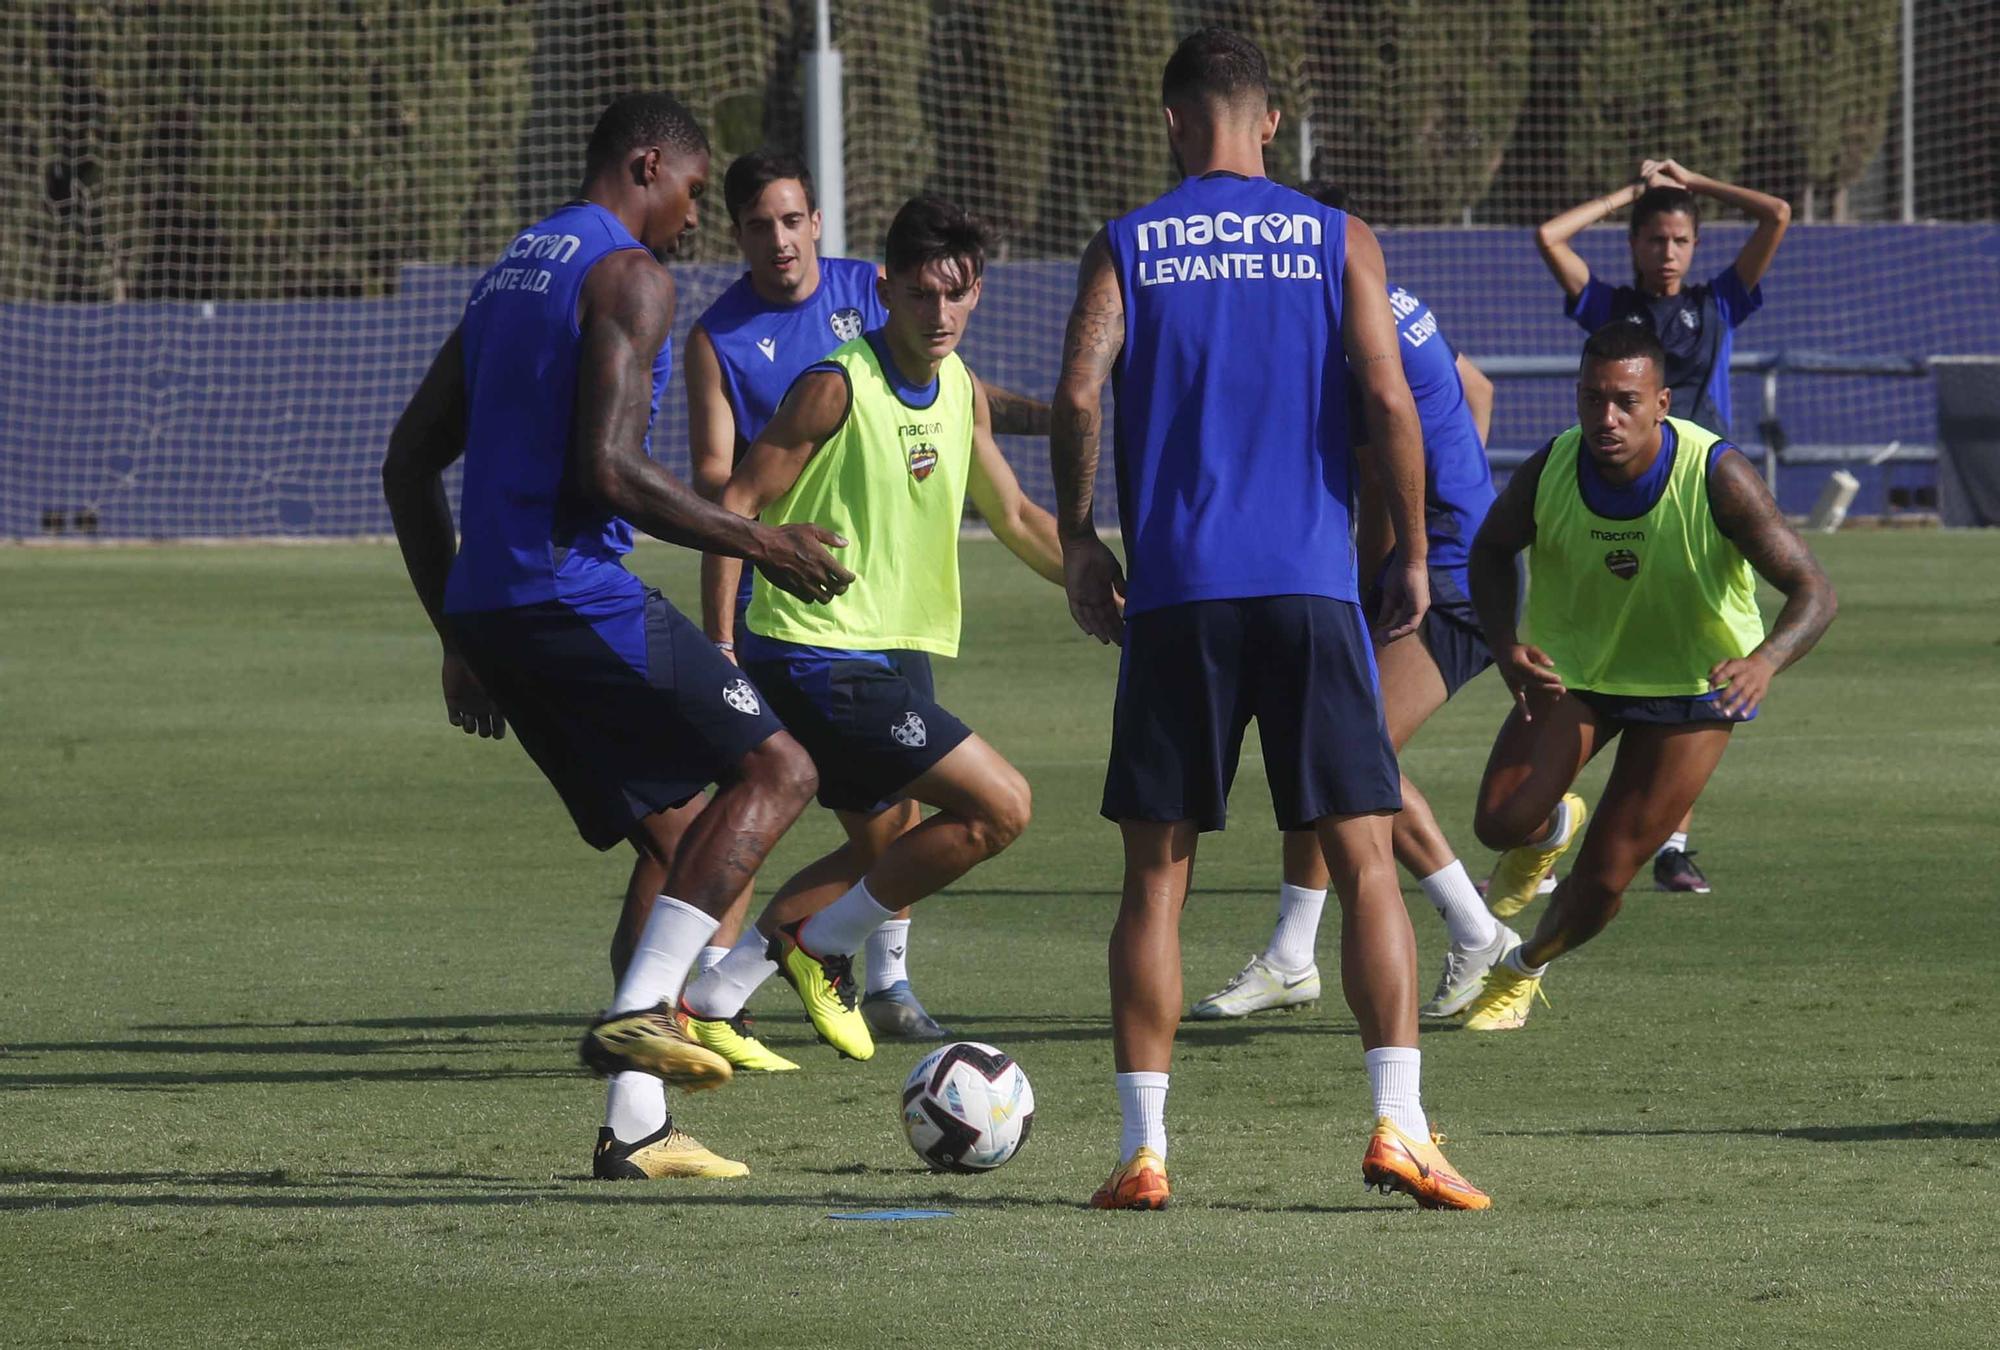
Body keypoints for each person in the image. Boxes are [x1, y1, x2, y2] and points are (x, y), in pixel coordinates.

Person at [1051, 28, 1489, 1212]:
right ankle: (1398, 1127)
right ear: (1270, 125)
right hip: (1306, 588)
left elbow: (1080, 387)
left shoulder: (1130, 244)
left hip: (1179, 596)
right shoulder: (1335, 237)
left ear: (1171, 123)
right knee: (1363, 865)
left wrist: (1081, 537)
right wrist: (1403, 545)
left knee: (1155, 881)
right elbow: (1389, 395)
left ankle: (1144, 1152)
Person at [380, 94, 853, 1181]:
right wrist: (757, 539)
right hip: (571, 595)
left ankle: (635, 1125)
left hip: (499, 613)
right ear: (647, 165)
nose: (692, 219)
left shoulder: (513, 268)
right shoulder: (627, 275)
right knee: (780, 770)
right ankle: (644, 1013)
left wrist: (459, 628)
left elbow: (407, 461)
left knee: (682, 835)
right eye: (691, 192)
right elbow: (607, 470)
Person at [624, 151, 1058, 1057]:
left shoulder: (961, 389)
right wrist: (721, 645)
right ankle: (817, 950)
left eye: (958, 295)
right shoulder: (834, 383)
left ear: (975, 293)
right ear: (887, 287)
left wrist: (1108, 582)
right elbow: (733, 504)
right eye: (922, 295)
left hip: (891, 647)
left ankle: (717, 989)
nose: (940, 315)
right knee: (1000, 808)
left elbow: (1016, 516)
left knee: (884, 842)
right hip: (817, 651)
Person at [1189, 181, 1514, 1024]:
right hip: (1458, 557)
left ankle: (1478, 931)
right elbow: (1474, 390)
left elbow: (1375, 482)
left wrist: (1376, 587)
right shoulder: (1401, 305)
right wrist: (1461, 486)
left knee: (1353, 753)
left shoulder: (1344, 340)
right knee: (1322, 742)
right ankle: (1294, 953)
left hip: (1438, 576)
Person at [1456, 322, 1836, 1032]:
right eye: (1592, 399)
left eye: (1626, 401)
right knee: (1498, 821)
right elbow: (1490, 551)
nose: (1607, 418)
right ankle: (1545, 834)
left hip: (1692, 691)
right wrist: (1505, 645)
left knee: (1603, 880)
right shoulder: (1553, 467)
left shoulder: (1717, 475)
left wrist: (1764, 662)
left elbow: (1815, 589)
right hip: (1580, 675)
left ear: (1662, 402)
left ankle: (1523, 967)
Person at [1532, 158, 1793, 897]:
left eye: (1680, 239)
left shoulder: (1718, 304)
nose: (1668, 252)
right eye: (1655, 238)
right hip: (1612, 500)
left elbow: (1775, 211)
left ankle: (1672, 844)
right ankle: (1549, 825)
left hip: (1698, 504)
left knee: (1691, 659)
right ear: (1636, 244)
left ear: (1694, 245)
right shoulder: (1612, 310)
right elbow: (1549, 236)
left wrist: (1696, 183)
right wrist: (1629, 194)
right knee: (1598, 657)